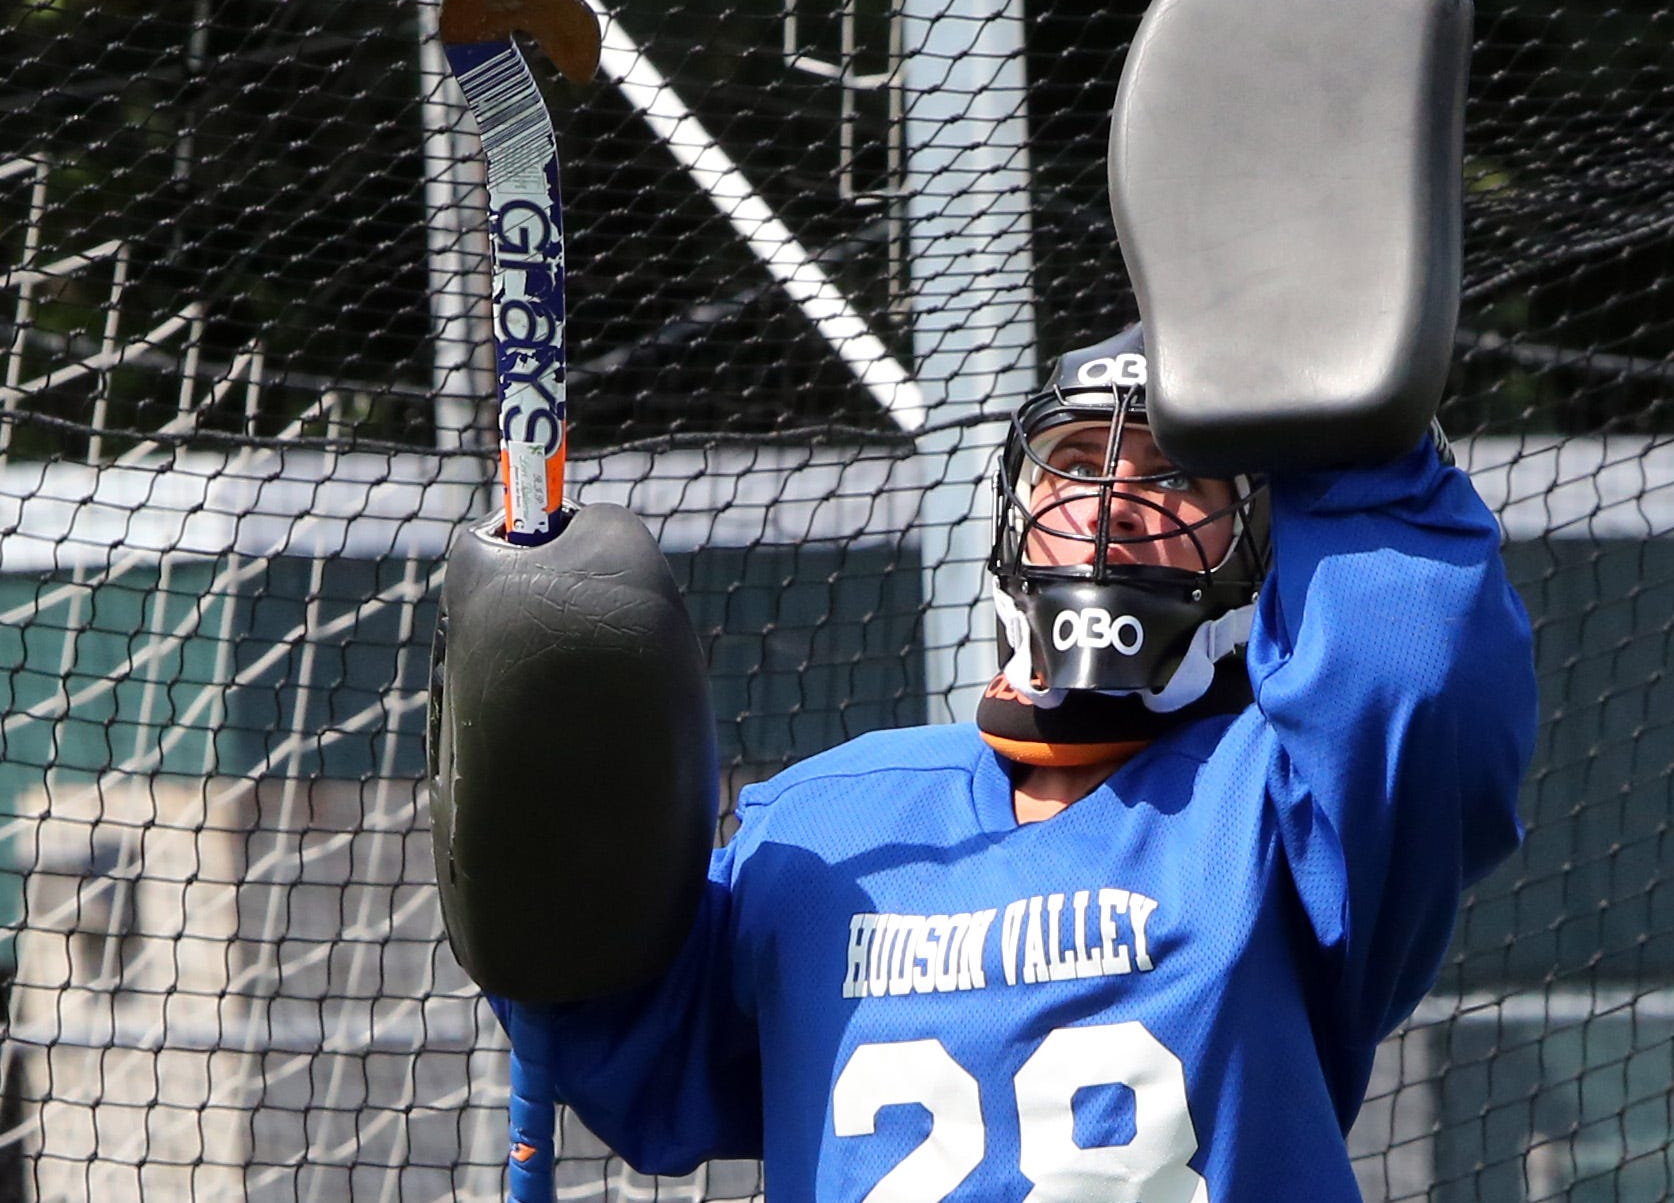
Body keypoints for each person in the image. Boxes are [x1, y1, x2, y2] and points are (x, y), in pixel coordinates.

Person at [491, 319, 1536, 1201]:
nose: (1116, 501)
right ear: (1014, 509)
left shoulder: (1285, 805)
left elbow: (1418, 674)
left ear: (1263, 537)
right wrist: (533, 764)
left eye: (1175, 477)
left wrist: (1350, 433)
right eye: (1078, 463)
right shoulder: (822, 824)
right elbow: (624, 1043)